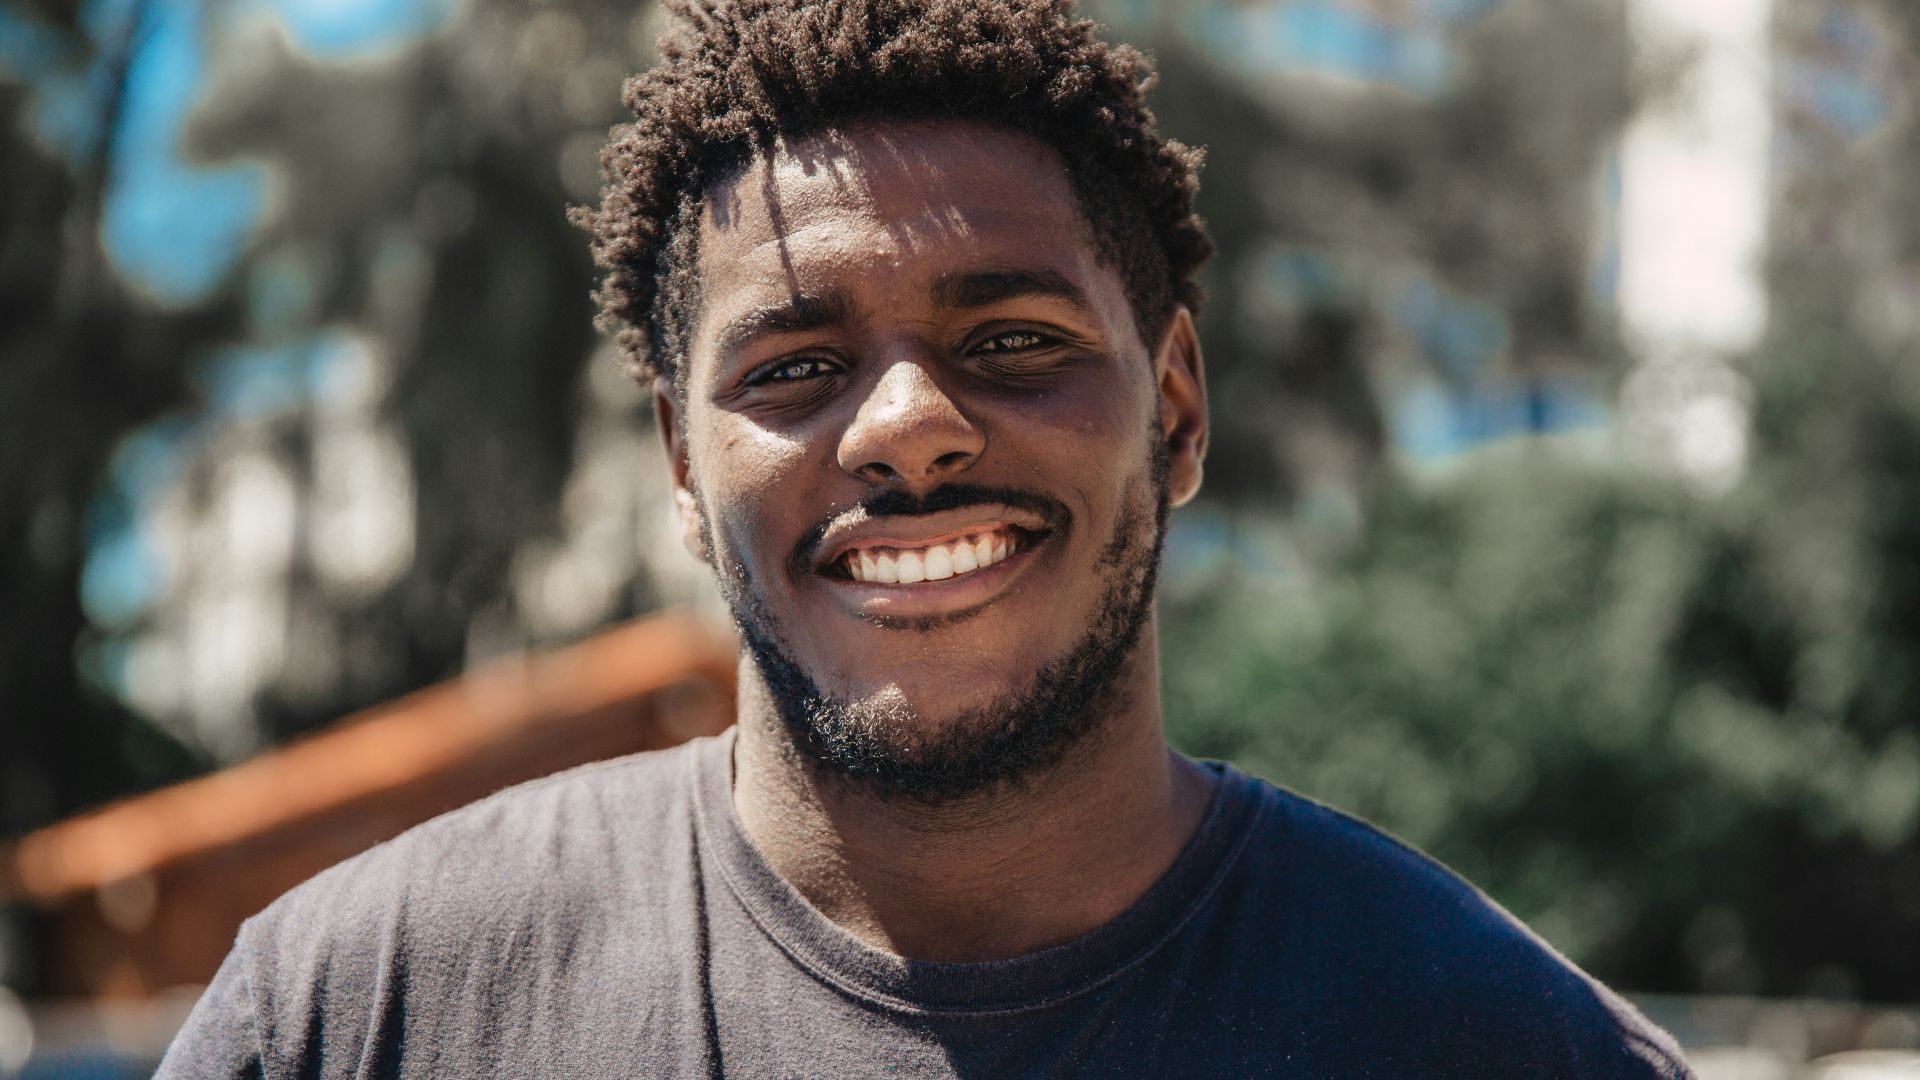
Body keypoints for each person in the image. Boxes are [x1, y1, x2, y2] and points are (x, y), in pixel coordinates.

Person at [159, 0, 1694, 1075]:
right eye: (795, 370)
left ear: (1172, 409)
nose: (905, 425)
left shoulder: (1490, 1042)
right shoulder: (362, 1014)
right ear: (683, 466)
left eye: (1015, 341)